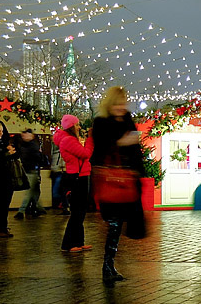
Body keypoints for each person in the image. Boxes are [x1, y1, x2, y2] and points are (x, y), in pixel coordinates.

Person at [91, 86, 145, 285]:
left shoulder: (128, 121)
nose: (121, 107)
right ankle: (107, 265)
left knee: (119, 223)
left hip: (127, 181)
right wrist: (121, 142)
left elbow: (136, 152)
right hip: (109, 180)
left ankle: (109, 265)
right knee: (114, 224)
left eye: (123, 103)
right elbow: (100, 148)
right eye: (117, 104)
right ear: (109, 104)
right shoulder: (101, 123)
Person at [55, 115, 94, 252]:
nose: (79, 127)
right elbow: (85, 154)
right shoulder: (68, 140)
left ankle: (78, 241)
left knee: (81, 211)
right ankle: (69, 244)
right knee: (77, 212)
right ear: (71, 126)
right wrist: (90, 140)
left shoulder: (70, 139)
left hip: (80, 176)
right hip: (77, 177)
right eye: (77, 125)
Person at [0, 120, 17, 239]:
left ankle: (3, 227)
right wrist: (6, 153)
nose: (0, 134)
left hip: (7, 178)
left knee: (5, 203)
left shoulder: (5, 143)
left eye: (2, 131)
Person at [15, 129, 48, 219]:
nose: (24, 136)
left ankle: (21, 211)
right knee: (34, 191)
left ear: (31, 135)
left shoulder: (29, 146)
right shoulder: (32, 145)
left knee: (31, 191)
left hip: (31, 171)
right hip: (32, 171)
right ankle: (38, 208)